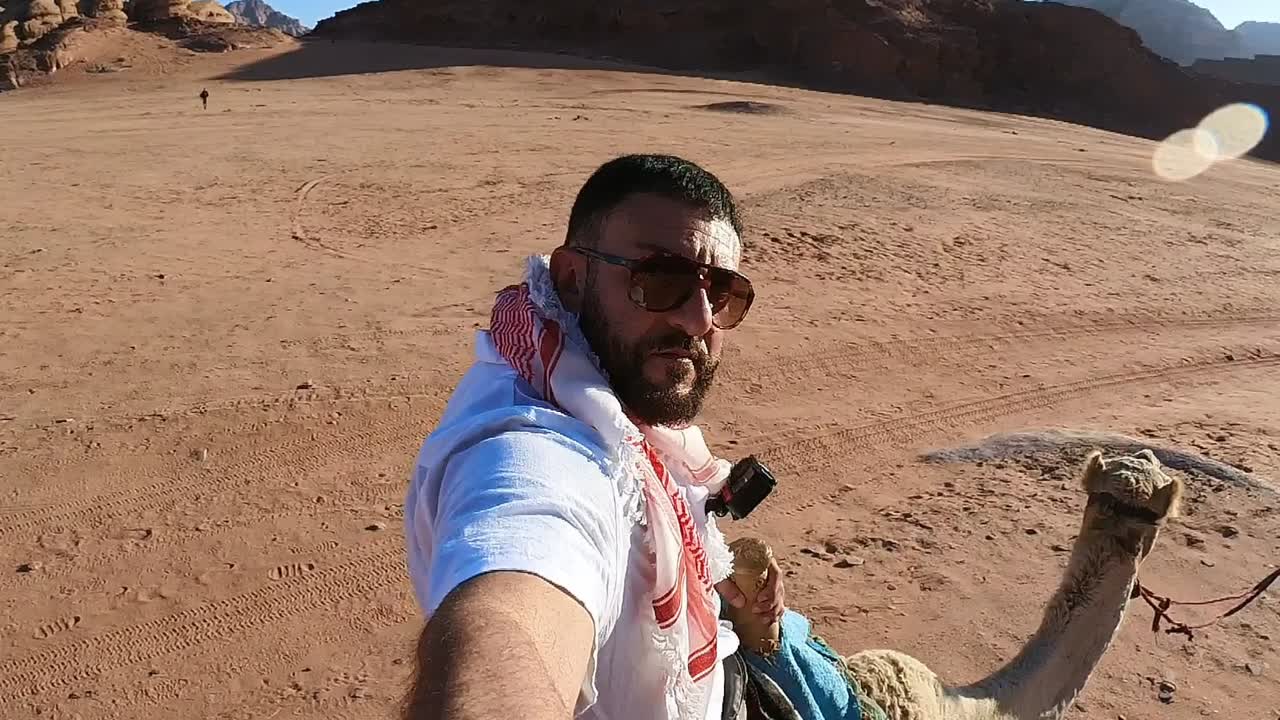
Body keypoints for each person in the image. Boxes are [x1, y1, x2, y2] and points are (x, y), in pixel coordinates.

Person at [402, 154, 783, 720]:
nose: (699, 319)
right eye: (661, 280)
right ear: (572, 280)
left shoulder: (606, 395)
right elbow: (505, 616)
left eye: (722, 292)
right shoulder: (534, 447)